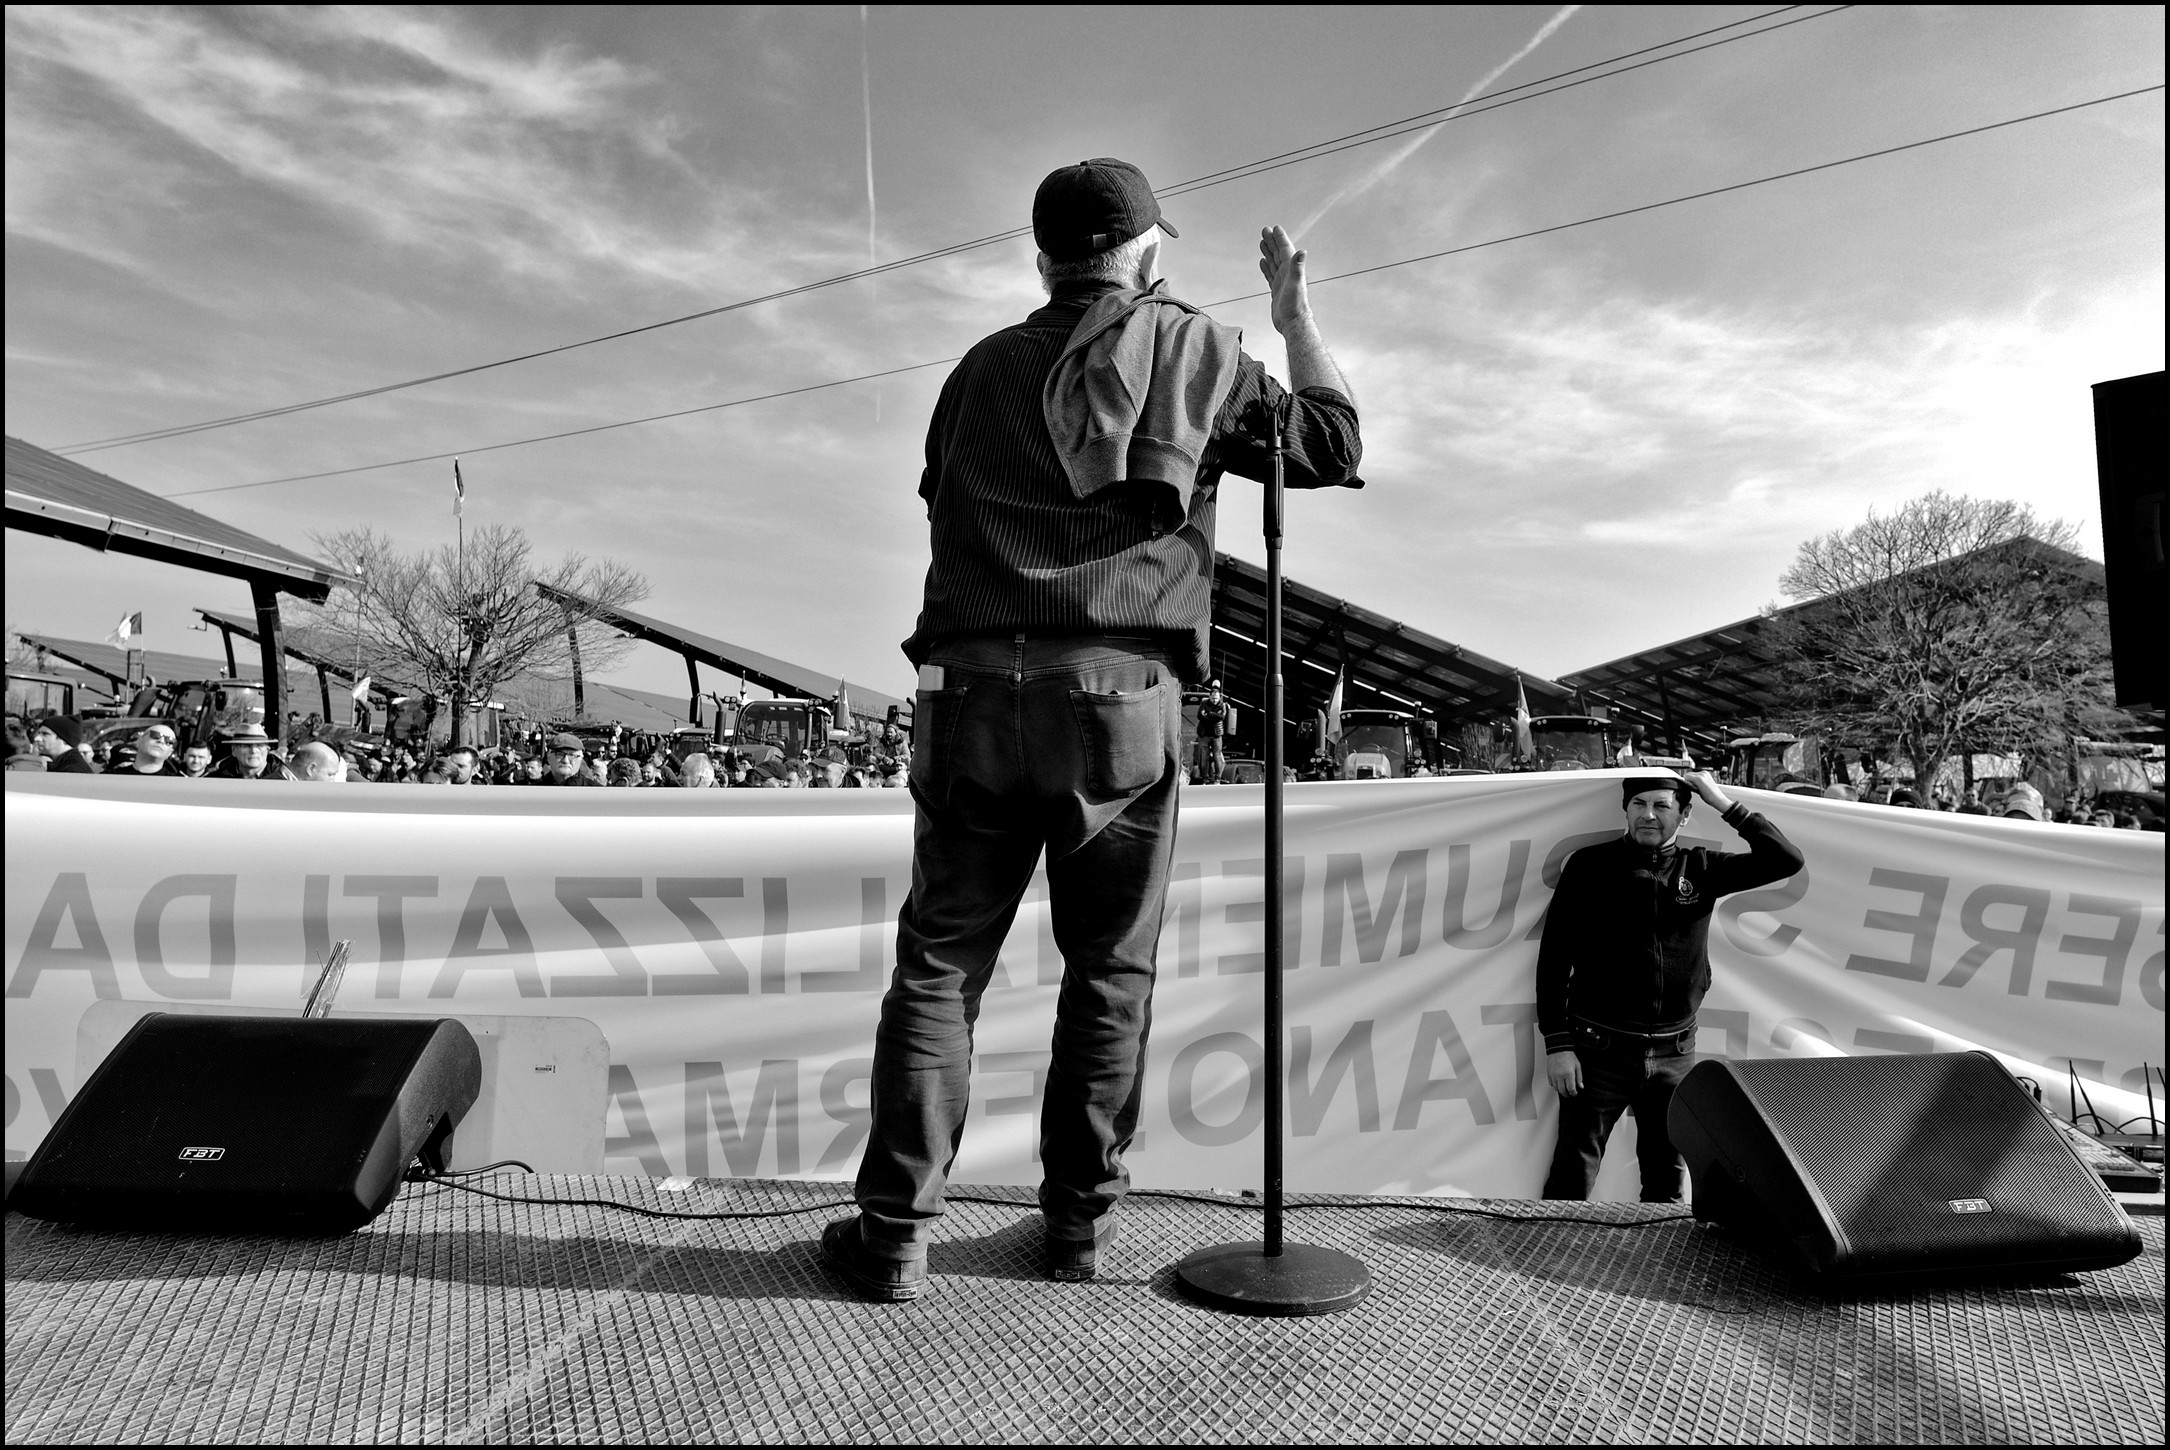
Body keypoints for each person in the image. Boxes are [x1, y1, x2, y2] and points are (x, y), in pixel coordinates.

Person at [822, 157, 1364, 1302]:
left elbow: (938, 500)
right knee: (1108, 973)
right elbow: (1330, 440)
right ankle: (1074, 1227)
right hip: (1116, 695)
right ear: (1147, 252)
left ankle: (892, 1234)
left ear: (1040, 256)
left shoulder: (976, 370)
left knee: (936, 969)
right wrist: (1293, 316)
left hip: (967, 691)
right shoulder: (1194, 353)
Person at [1538, 772, 1803, 1202]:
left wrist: (1724, 802)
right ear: (1625, 809)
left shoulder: (1702, 868)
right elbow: (1553, 959)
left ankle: (1657, 1269)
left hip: (1675, 1055)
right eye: (1639, 804)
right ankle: (1542, 1262)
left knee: (1667, 1182)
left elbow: (1785, 859)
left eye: (1662, 806)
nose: (1648, 815)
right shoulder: (1589, 866)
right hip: (1596, 1051)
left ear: (1684, 815)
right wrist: (1557, 1043)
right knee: (1573, 1175)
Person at [210, 724, 292, 781]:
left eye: (259, 745)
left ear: (267, 750)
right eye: (246, 745)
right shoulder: (216, 780)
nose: (253, 751)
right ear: (234, 751)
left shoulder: (285, 781)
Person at [33, 716, 98, 773]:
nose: (37, 738)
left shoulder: (73, 770)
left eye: (45, 734)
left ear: (62, 738)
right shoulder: (63, 765)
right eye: (39, 733)